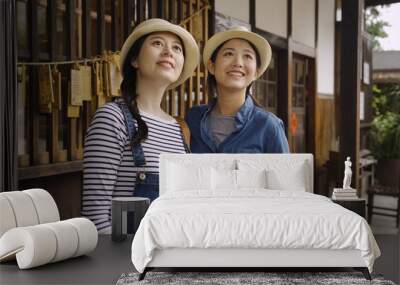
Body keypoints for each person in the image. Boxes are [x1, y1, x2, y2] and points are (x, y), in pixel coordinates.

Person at [81, 19, 199, 233]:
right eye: (157, 43)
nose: (168, 52)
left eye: (176, 48)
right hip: (127, 259)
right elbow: (96, 220)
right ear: (134, 59)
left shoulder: (179, 129)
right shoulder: (112, 118)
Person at [185, 26, 289, 153]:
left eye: (247, 56)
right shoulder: (193, 118)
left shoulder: (269, 125)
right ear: (211, 66)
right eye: (229, 53)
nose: (238, 63)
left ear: (256, 72)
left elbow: (283, 172)